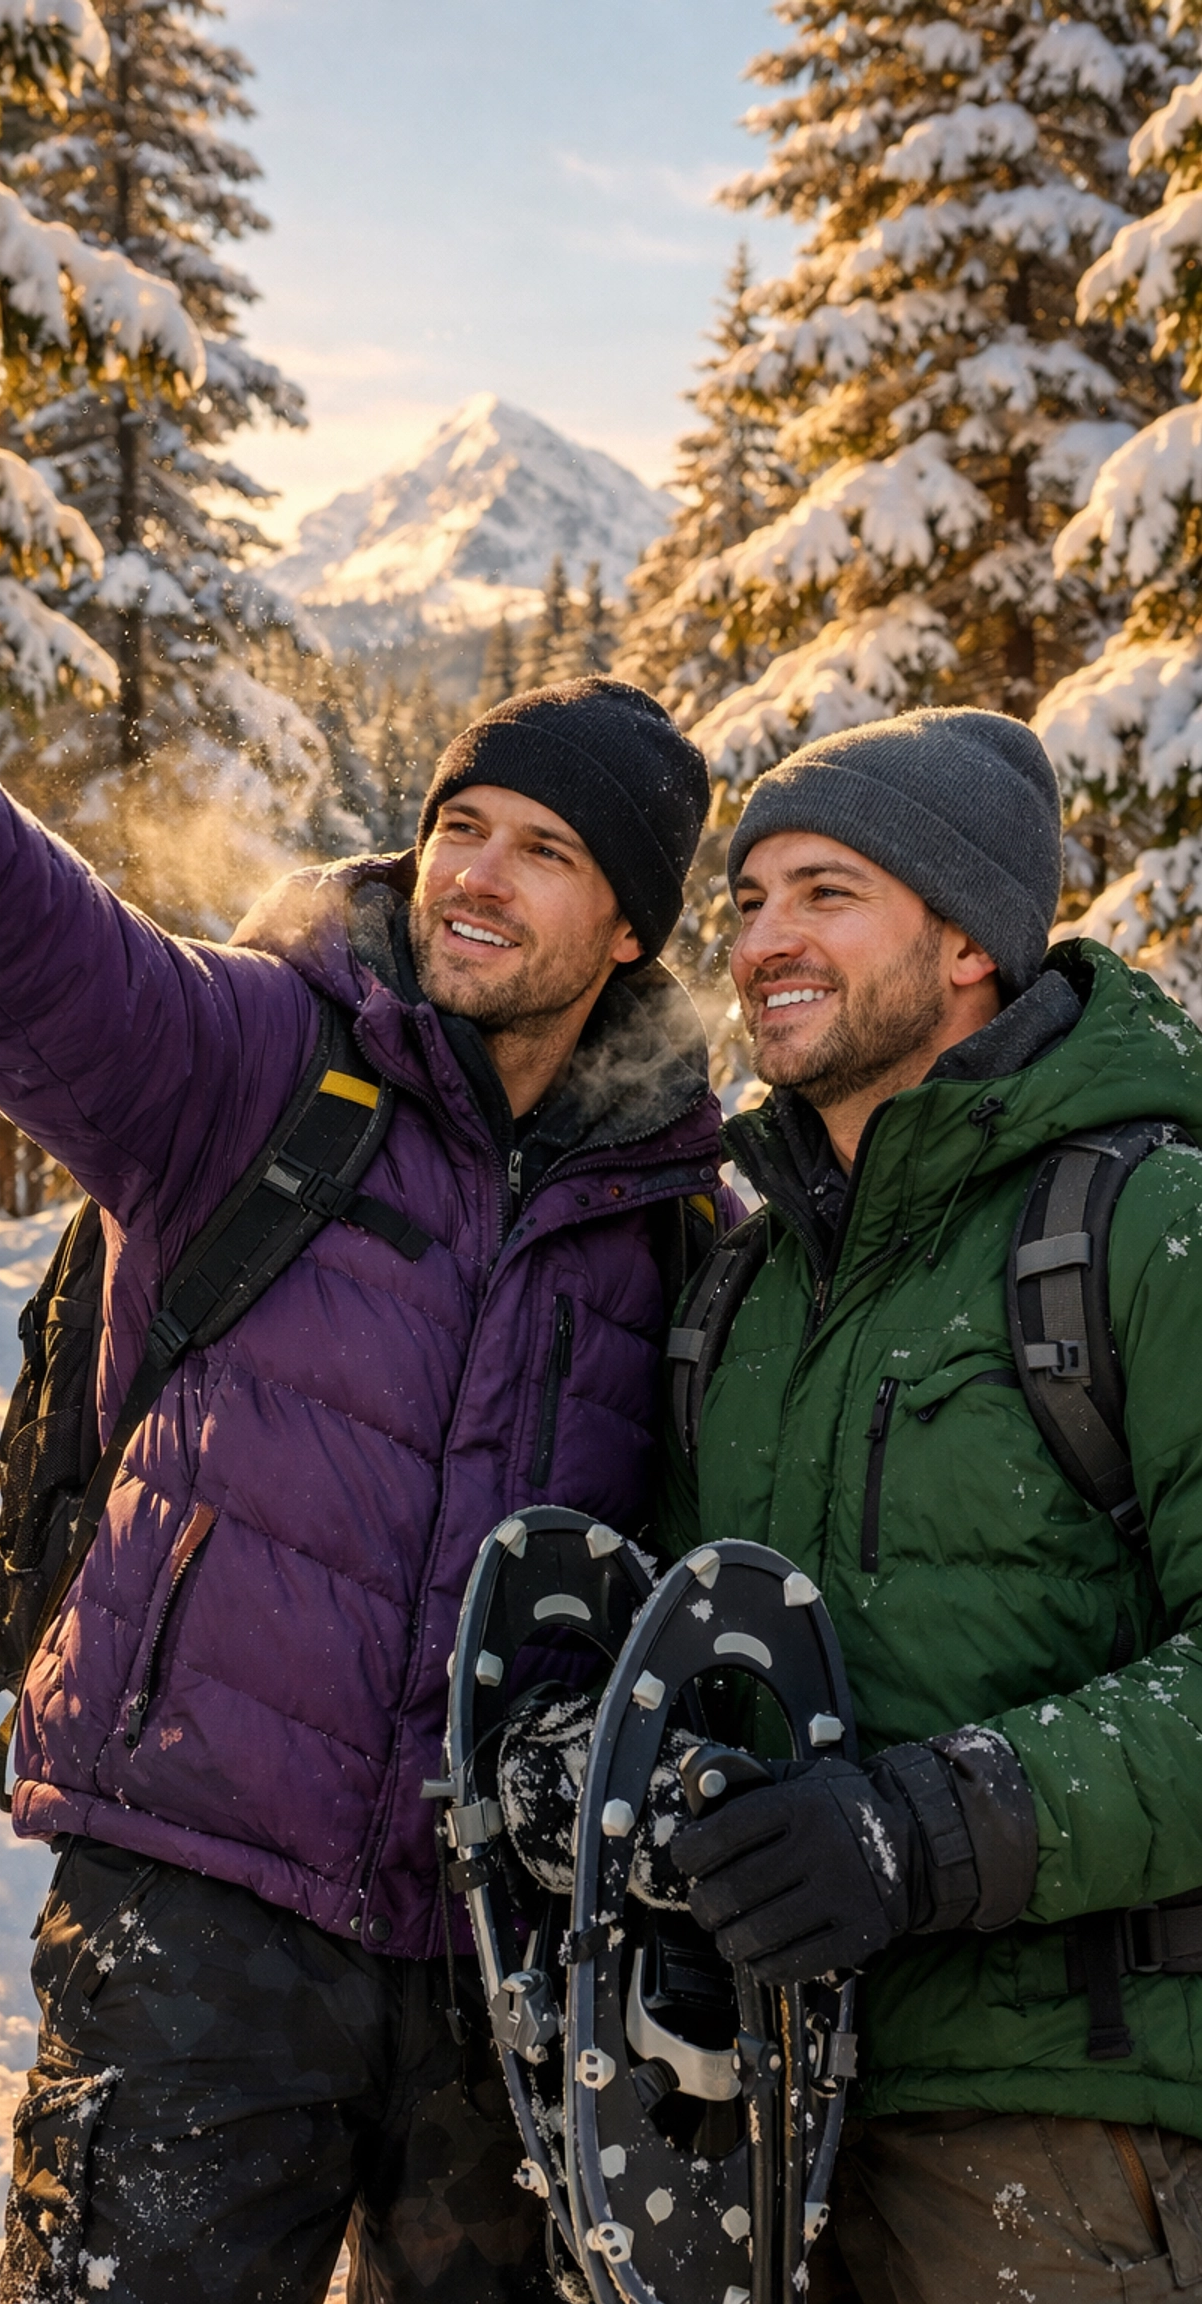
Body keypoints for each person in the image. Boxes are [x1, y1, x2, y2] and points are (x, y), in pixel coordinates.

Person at [0, 667, 733, 2304]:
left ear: (628, 930)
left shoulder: (680, 1221)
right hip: (202, 1906)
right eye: (459, 823)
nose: (475, 871)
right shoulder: (271, 1064)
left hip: (503, 1964)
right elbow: (87, 983)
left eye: (544, 848)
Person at [658, 708, 1202, 2302]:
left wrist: (925, 1829)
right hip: (767, 2120)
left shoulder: (1144, 1220)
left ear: (967, 940)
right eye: (747, 900)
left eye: (826, 891)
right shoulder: (746, 1282)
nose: (764, 941)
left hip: (1073, 2137)